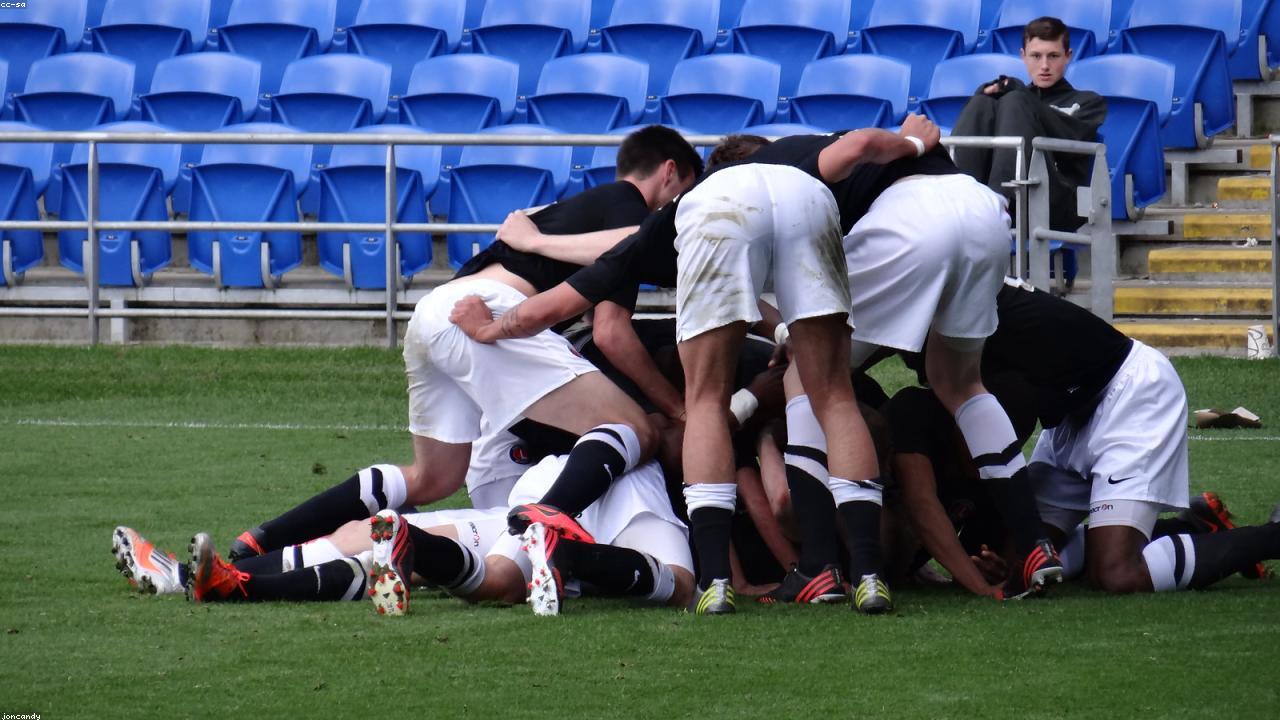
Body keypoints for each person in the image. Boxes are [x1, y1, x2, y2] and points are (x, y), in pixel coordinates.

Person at [451, 119, 949, 615]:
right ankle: (869, 575)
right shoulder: (792, 157)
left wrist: (491, 329)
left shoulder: (677, 214)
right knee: (835, 395)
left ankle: (716, 583)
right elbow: (860, 145)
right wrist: (911, 142)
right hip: (811, 200)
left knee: (704, 403)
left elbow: (558, 304)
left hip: (719, 216)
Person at [221, 126, 704, 564]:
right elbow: (611, 331)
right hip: (488, 315)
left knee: (432, 478)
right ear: (669, 173)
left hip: (437, 312)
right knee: (631, 427)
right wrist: (679, 409)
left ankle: (265, 541)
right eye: (686, 194)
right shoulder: (629, 208)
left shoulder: (571, 211)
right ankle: (547, 521)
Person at [898, 278, 1280, 596]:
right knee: (1017, 562)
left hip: (1127, 394)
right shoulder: (948, 294)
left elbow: (1015, 411)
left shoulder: (961, 304)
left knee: (1116, 573)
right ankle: (1194, 526)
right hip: (1067, 420)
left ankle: (1271, 536)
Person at [951, 16, 1107, 235]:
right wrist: (986, 94)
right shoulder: (1012, 97)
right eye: (1036, 56)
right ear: (1023, 56)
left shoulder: (1088, 101)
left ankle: (997, 204)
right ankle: (960, 201)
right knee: (982, 102)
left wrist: (1021, 95)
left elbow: (1072, 139)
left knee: (1014, 101)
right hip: (1004, 203)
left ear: (1068, 56)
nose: (1044, 66)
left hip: (1055, 202)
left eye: (1053, 56)